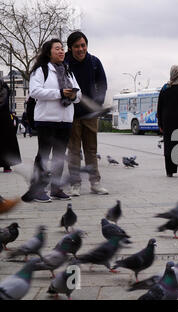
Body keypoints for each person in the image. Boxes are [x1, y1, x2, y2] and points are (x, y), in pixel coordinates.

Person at [28, 38, 81, 202]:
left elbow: (79, 96)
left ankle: (56, 188)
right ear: (48, 52)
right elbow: (35, 92)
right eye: (57, 49)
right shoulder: (41, 70)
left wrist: (73, 95)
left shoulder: (68, 70)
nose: (61, 51)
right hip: (46, 119)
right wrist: (59, 93)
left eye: (62, 48)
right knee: (43, 154)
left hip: (65, 119)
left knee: (59, 155)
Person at [64, 31, 108, 196]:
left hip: (90, 115)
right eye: (77, 46)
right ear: (70, 48)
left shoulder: (94, 62)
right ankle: (75, 184)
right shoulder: (64, 62)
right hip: (71, 113)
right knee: (74, 150)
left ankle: (95, 183)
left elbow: (102, 84)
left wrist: (97, 104)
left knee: (91, 149)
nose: (81, 49)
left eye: (83, 45)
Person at [0, 79, 21, 173]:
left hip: (4, 117)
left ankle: (6, 164)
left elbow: (2, 101)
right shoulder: (5, 87)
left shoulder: (4, 88)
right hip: (5, 117)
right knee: (7, 141)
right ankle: (6, 165)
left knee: (6, 140)